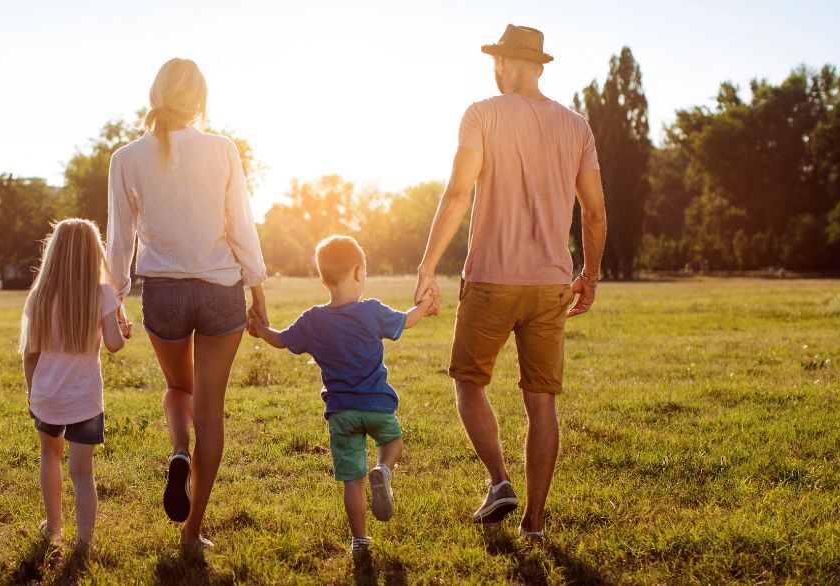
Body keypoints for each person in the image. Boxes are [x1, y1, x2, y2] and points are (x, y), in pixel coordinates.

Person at [411, 24, 608, 543]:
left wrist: (427, 267)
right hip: (550, 285)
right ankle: (535, 524)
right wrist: (589, 274)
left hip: (491, 279)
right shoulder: (577, 126)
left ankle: (500, 480)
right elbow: (595, 212)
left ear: (503, 64)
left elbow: (457, 195)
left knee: (468, 381)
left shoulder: (482, 114)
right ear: (538, 65)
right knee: (541, 402)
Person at [106, 58, 268, 551]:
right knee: (211, 411)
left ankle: (179, 452)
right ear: (199, 99)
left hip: (164, 292)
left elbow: (120, 238)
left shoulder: (125, 157)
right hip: (221, 290)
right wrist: (257, 288)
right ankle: (193, 531)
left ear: (156, 95)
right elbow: (241, 224)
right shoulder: (222, 149)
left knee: (180, 388)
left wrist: (114, 297)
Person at [247, 235, 429, 556]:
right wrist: (426, 305)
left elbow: (280, 340)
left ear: (323, 279)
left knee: (353, 481)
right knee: (392, 443)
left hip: (341, 412)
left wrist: (260, 329)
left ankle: (359, 541)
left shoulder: (313, 320)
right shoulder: (371, 311)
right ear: (359, 272)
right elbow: (407, 320)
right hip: (377, 406)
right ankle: (384, 471)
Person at [20, 218, 128, 550]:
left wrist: (31, 393)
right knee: (82, 472)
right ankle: (84, 542)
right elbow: (114, 344)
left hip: (48, 396)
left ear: (55, 251)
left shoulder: (39, 296)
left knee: (49, 457)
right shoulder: (102, 293)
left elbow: (29, 353)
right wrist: (121, 327)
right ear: (94, 253)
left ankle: (53, 530)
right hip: (85, 400)